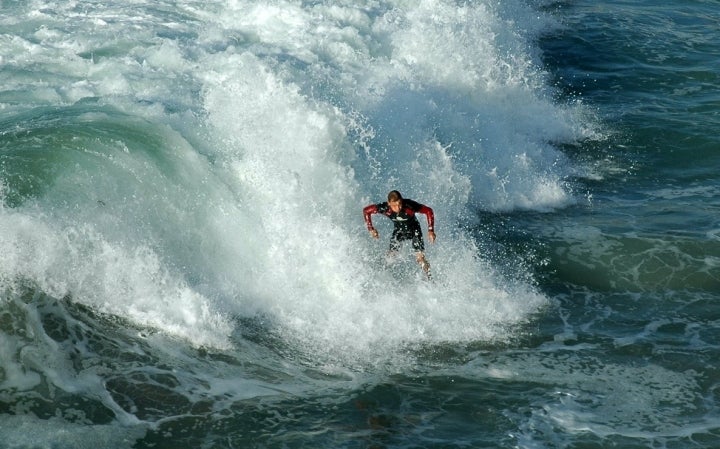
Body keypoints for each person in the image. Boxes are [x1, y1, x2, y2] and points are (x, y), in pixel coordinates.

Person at [363, 190, 436, 278]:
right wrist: (371, 229)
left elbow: (428, 211)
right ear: (389, 203)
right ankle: (380, 273)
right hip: (399, 231)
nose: (398, 207)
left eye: (400, 203)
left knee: (420, 259)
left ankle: (430, 278)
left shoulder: (409, 205)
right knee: (391, 255)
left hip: (414, 230)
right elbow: (366, 211)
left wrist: (431, 230)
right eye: (395, 205)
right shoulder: (385, 208)